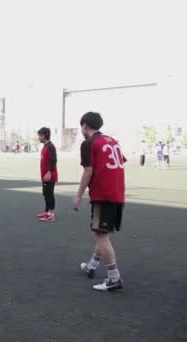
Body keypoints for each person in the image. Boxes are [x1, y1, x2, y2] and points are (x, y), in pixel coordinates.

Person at [74, 112, 125, 291]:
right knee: (103, 232)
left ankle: (114, 277)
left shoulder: (89, 143)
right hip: (118, 192)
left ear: (85, 125)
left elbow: (88, 171)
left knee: (100, 235)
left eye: (81, 127)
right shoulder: (112, 140)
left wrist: (79, 195)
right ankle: (91, 266)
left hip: (104, 194)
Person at [36, 127, 58, 222]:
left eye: (39, 135)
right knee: (45, 194)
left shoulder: (51, 146)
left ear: (44, 135)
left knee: (49, 194)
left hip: (50, 176)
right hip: (44, 176)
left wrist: (49, 172)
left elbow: (54, 161)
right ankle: (46, 211)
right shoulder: (45, 146)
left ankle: (51, 214)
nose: (38, 138)